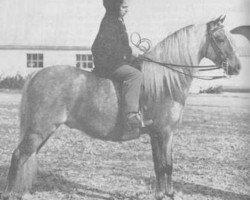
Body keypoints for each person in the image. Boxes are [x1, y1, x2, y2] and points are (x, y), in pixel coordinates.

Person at [91, 0, 147, 138]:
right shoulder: (111, 22)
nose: (126, 9)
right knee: (135, 75)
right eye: (123, 7)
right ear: (115, 7)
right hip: (108, 64)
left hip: (114, 61)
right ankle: (130, 116)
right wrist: (129, 53)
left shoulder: (116, 20)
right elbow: (111, 48)